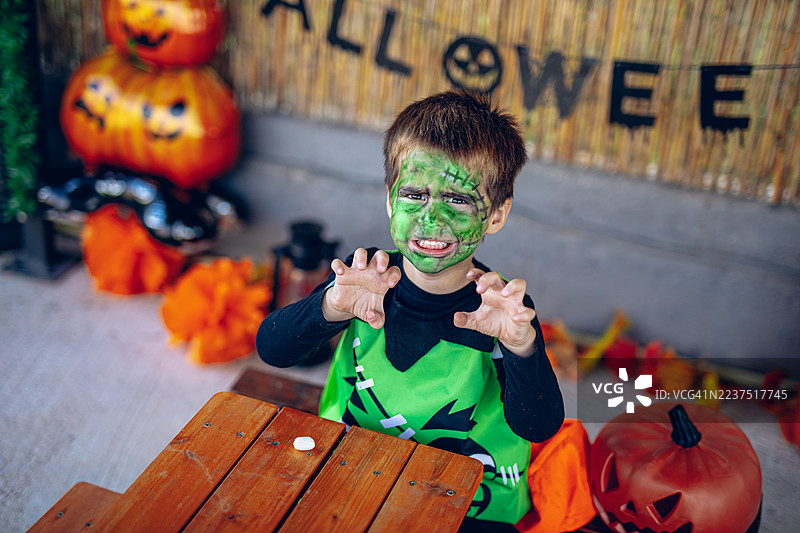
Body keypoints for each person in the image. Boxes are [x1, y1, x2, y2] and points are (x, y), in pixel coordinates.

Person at [257, 89, 564, 532]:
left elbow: (538, 425)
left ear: (496, 215)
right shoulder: (364, 278)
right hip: (354, 469)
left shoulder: (500, 310)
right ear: (389, 198)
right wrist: (330, 305)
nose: (431, 219)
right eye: (415, 194)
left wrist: (520, 346)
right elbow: (272, 349)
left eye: (458, 200)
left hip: (472, 503)